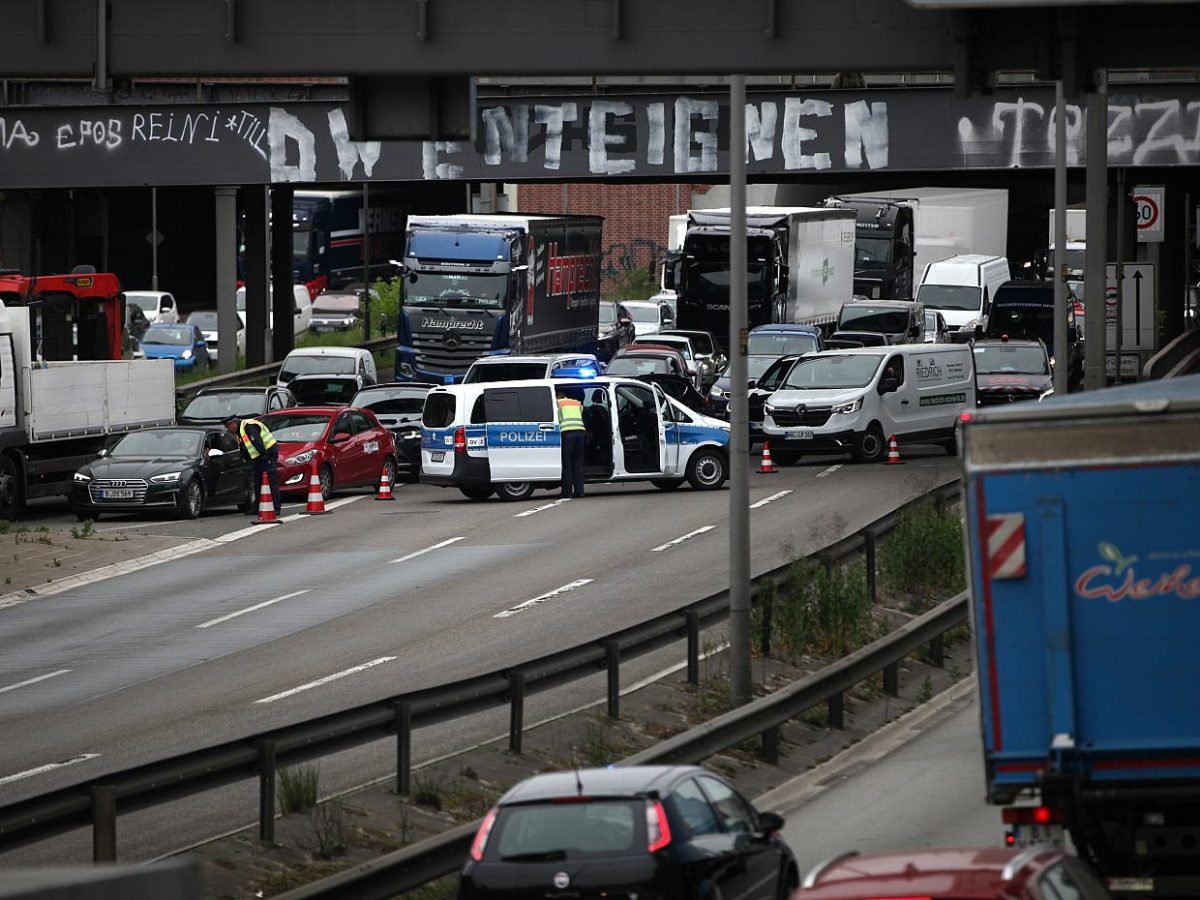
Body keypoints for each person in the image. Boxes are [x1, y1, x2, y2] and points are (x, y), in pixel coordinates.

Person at [226, 415, 281, 516]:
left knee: (271, 480)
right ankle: (257, 507)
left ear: (233, 424)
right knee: (258, 482)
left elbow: (257, 441)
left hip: (268, 453)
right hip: (259, 457)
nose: (227, 429)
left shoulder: (248, 426)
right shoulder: (241, 431)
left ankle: (276, 507)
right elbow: (246, 446)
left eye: (227, 426)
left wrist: (265, 457)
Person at [556, 385, 587, 499]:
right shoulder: (576, 403)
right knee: (577, 464)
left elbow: (558, 420)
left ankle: (567, 492)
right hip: (580, 432)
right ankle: (580, 491)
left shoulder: (557, 403)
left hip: (567, 433)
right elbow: (582, 413)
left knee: (567, 464)